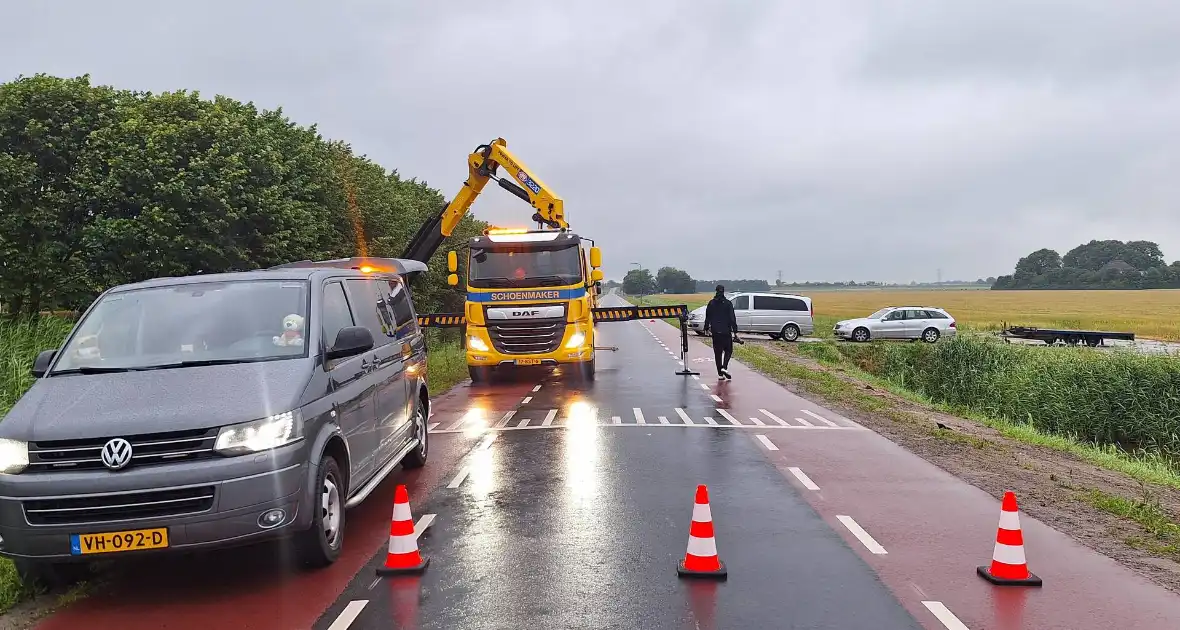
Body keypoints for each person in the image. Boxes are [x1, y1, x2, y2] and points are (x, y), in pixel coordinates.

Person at [703, 285, 737, 379]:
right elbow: (732, 318)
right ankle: (724, 367)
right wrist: (735, 331)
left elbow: (708, 317)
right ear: (723, 292)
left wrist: (706, 328)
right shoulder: (728, 303)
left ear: (716, 291)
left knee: (717, 353)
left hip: (715, 332)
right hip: (726, 331)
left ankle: (720, 374)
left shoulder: (711, 303)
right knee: (728, 350)